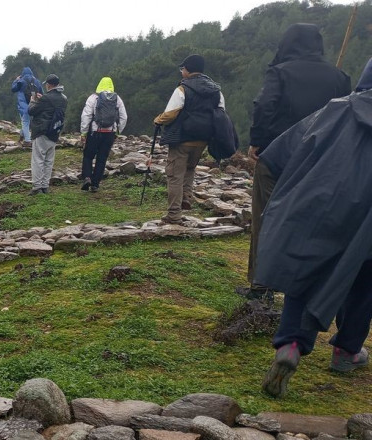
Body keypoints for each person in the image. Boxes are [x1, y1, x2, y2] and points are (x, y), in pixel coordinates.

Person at [257, 58, 372, 398]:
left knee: (303, 272)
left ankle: (291, 345)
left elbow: (278, 155)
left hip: (322, 206)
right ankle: (347, 351)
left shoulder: (337, 109)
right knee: (365, 283)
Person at [241, 23, 351, 300]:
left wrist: (257, 141)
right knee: (306, 220)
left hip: (278, 156)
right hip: (317, 161)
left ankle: (260, 285)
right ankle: (300, 285)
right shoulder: (339, 77)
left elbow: (265, 105)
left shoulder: (280, 72)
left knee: (265, 216)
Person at [153, 54, 225, 224]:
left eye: (182, 68)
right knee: (190, 169)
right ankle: (186, 197)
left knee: (174, 175)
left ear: (188, 70)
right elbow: (221, 113)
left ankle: (173, 214)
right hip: (203, 139)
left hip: (182, 139)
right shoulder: (216, 91)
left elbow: (171, 113)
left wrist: (158, 120)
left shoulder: (183, 89)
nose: (181, 71)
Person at [79, 77, 127, 192]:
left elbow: (86, 116)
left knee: (88, 156)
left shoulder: (93, 98)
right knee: (102, 158)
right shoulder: (117, 98)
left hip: (95, 132)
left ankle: (87, 177)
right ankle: (95, 184)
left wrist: (83, 132)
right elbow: (124, 117)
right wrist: (118, 131)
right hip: (109, 133)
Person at [26, 74, 68, 196]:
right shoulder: (64, 98)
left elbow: (31, 111)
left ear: (49, 85)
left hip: (42, 131)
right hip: (55, 132)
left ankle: (37, 187)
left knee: (38, 159)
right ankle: (45, 186)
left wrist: (33, 101)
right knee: (49, 161)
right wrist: (42, 99)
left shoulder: (46, 98)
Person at [11, 67, 44, 147]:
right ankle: (21, 137)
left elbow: (13, 89)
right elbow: (42, 93)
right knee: (26, 122)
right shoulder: (36, 81)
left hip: (23, 105)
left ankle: (27, 141)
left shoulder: (21, 81)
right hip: (34, 104)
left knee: (25, 121)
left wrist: (16, 80)